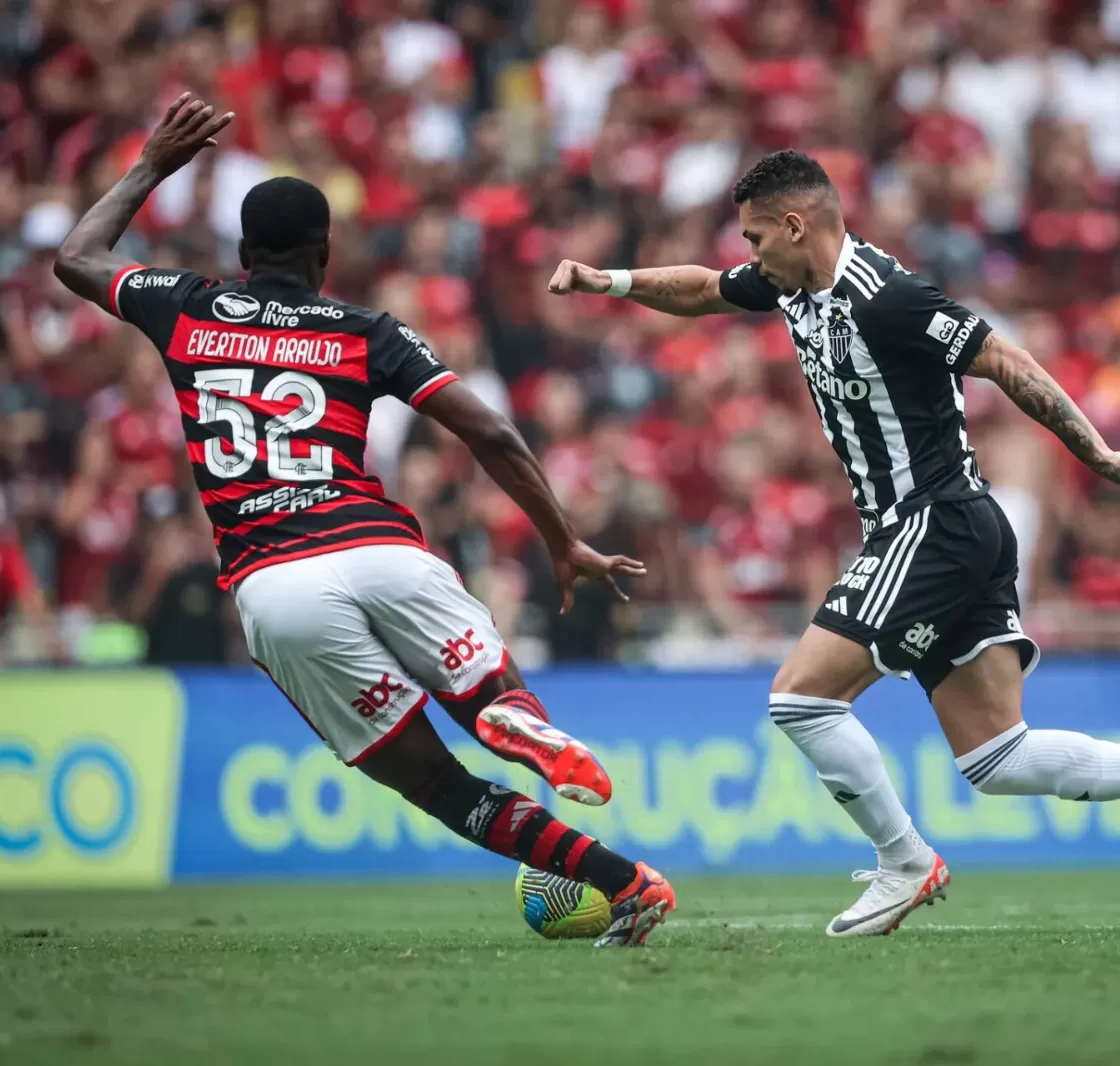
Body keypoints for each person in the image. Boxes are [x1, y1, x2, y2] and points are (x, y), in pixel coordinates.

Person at [549, 149, 1120, 937]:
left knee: (799, 696)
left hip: (934, 521)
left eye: (756, 238)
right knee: (999, 760)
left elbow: (1000, 357)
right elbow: (700, 288)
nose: (749, 256)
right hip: (952, 529)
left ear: (797, 226)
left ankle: (904, 861)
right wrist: (608, 283)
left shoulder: (886, 298)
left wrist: (1098, 453)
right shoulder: (791, 284)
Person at [53, 94, 673, 947]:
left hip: (275, 585)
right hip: (381, 549)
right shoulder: (364, 330)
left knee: (439, 785)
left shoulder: (184, 305)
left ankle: (628, 884)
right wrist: (561, 540)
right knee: (484, 698)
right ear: (325, 255)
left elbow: (77, 255)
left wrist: (156, 163)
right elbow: (488, 428)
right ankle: (506, 710)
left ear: (242, 253)